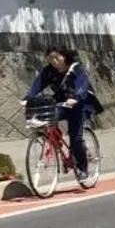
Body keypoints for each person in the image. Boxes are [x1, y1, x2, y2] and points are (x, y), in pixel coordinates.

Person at [26, 46, 98, 177]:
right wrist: (28, 98)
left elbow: (82, 85)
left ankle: (83, 169)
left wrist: (75, 97)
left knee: (76, 138)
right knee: (48, 116)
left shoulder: (76, 68)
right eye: (50, 58)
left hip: (80, 104)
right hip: (62, 103)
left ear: (64, 56)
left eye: (56, 57)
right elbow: (37, 85)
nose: (54, 61)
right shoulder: (49, 71)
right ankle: (55, 137)